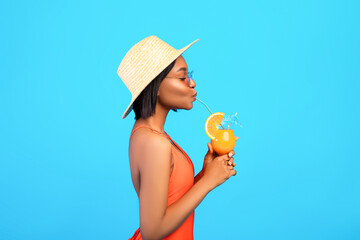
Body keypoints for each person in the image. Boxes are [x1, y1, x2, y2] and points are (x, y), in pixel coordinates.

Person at [117, 36, 237, 240]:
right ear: (155, 86)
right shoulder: (155, 142)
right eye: (182, 78)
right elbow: (152, 232)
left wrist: (204, 175)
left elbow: (170, 200)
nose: (192, 83)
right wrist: (207, 182)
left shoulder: (148, 133)